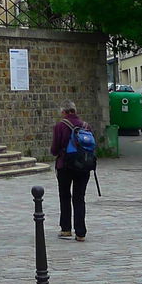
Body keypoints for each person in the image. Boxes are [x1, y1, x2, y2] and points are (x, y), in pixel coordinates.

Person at [50, 102, 91, 242]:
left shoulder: (60, 126)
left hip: (65, 165)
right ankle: (80, 232)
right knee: (79, 198)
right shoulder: (85, 126)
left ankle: (66, 229)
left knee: (65, 196)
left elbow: (54, 149)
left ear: (64, 112)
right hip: (84, 166)